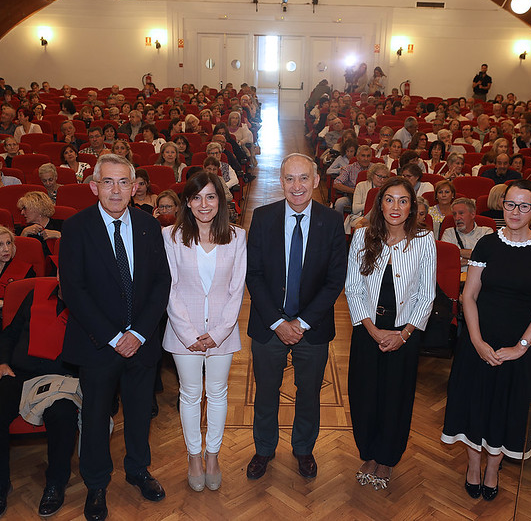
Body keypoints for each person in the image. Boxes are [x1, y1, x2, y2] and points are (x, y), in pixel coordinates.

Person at [59, 154, 171, 520]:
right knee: (95, 418)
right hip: (97, 344)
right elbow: (73, 290)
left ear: (135, 187)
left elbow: (161, 283)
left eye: (124, 182)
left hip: (141, 343)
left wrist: (137, 333)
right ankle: (96, 484)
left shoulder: (148, 225)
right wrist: (113, 337)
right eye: (108, 182)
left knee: (140, 413)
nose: (116, 190)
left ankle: (138, 470)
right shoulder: (76, 227)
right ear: (94, 186)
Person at [441, 179, 531, 502]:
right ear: (501, 205)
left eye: (524, 206)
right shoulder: (487, 244)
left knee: (507, 409)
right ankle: (473, 466)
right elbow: (468, 296)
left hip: (520, 348)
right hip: (479, 341)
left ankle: (493, 469)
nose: (515, 212)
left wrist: (521, 347)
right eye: (510, 204)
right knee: (474, 405)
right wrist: (476, 341)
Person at [245, 153, 347, 481]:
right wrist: (278, 323)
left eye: (304, 178)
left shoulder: (332, 222)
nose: (297, 186)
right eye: (290, 178)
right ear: (281, 182)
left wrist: (300, 323)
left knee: (309, 394)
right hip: (268, 325)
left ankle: (303, 448)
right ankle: (264, 449)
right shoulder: (263, 217)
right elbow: (253, 274)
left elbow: (335, 280)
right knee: (266, 392)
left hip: (312, 328)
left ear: (316, 180)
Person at [344, 177, 436, 490]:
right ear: (379, 204)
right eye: (389, 199)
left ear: (412, 207)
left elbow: (426, 295)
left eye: (403, 201)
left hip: (404, 334)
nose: (395, 207)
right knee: (364, 395)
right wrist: (371, 330)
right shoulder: (362, 236)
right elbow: (353, 287)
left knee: (395, 398)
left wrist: (404, 334)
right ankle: (369, 453)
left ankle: (387, 458)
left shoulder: (424, 240)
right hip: (367, 330)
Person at [162, 172, 246, 492]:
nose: (204, 204)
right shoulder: (170, 236)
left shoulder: (237, 237)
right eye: (196, 198)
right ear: (187, 202)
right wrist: (189, 334)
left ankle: (213, 455)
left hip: (223, 332)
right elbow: (170, 289)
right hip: (184, 332)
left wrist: (220, 332)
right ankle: (194, 456)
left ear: (220, 201)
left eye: (210, 197)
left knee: (218, 392)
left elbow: (237, 289)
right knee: (190, 394)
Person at [0, 276, 78, 519]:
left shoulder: (90, 300)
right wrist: (2, 362)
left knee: (63, 416)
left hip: (60, 378)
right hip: (18, 373)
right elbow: (10, 333)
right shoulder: (35, 293)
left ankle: (55, 484)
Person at [442, 197, 494, 272]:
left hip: (479, 276)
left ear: (472, 214)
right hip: (456, 276)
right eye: (454, 214)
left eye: (461, 213)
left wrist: (457, 252)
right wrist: (474, 258)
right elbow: (446, 261)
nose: (457, 218)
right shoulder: (449, 233)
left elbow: (488, 257)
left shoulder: (486, 232)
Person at [344, 163, 390, 234]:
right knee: (369, 225)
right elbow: (355, 209)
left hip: (381, 218)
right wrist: (371, 203)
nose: (382, 180)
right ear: (372, 175)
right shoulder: (361, 186)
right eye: (379, 176)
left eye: (385, 177)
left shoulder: (388, 189)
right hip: (360, 216)